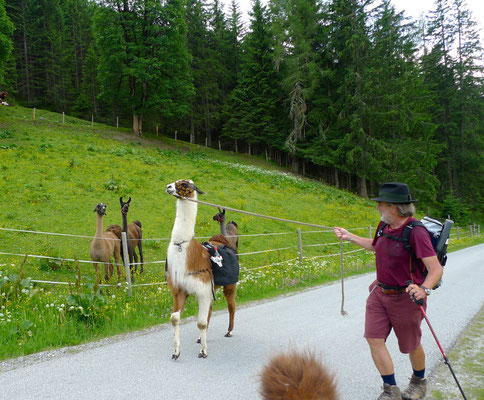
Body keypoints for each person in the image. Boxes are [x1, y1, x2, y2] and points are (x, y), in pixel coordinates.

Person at [333, 182, 443, 400]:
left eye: (380, 204)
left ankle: (419, 382)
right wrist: (350, 236)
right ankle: (390, 389)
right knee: (374, 338)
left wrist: (424, 289)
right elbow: (376, 246)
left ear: (394, 207)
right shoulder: (383, 226)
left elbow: (435, 269)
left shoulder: (416, 232)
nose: (377, 208)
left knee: (410, 345)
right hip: (379, 294)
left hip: (406, 298)